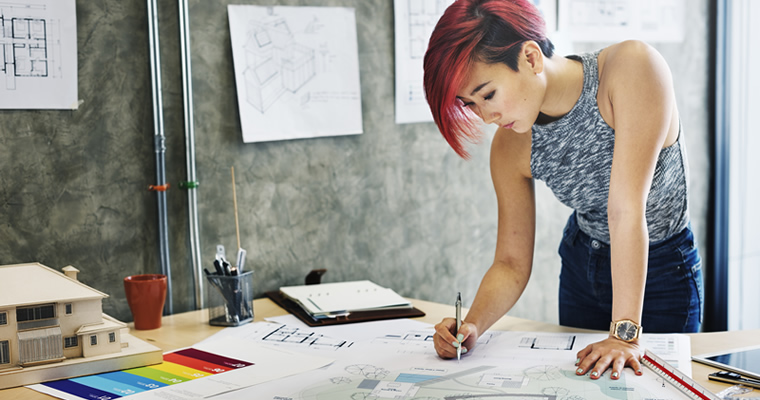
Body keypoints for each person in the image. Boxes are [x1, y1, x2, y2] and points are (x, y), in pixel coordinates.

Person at [423, 0, 704, 381]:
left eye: (487, 95)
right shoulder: (510, 145)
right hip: (581, 266)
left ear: (530, 57)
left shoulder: (632, 68)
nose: (485, 116)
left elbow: (624, 210)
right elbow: (510, 262)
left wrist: (624, 335)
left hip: (661, 267)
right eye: (469, 104)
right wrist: (471, 326)